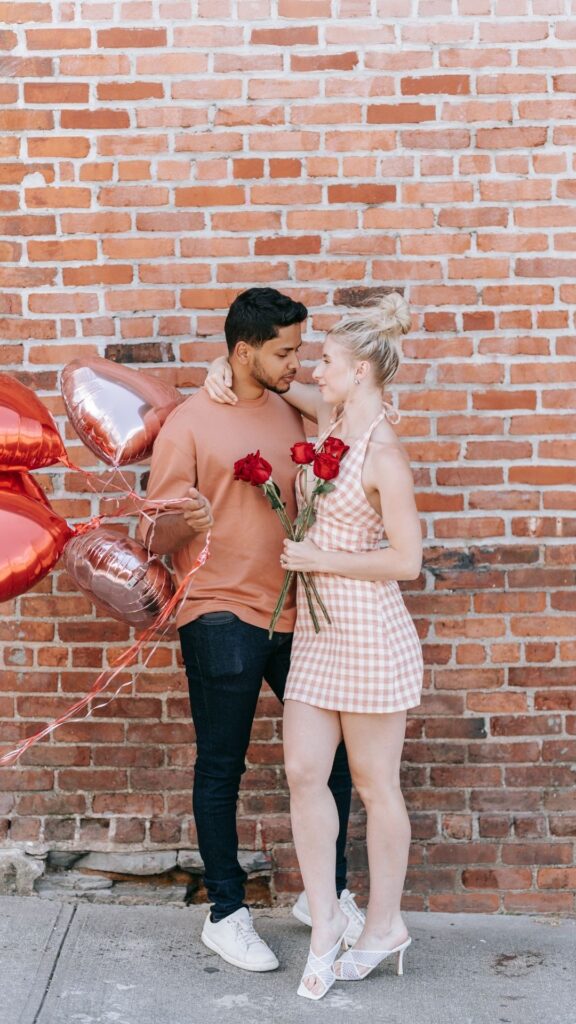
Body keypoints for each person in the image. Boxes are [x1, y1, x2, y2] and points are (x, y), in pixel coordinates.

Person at [206, 291, 423, 999]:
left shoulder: (385, 454)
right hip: (318, 635)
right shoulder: (329, 418)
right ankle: (325, 923)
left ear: (359, 371)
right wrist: (220, 371)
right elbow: (270, 381)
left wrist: (317, 561)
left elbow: (407, 562)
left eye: (326, 359)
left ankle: (384, 926)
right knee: (303, 770)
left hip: (367, 631)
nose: (312, 367)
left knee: (373, 784)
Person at [140, 288, 364, 974]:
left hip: (299, 611)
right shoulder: (188, 423)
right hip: (220, 613)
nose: (296, 362)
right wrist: (188, 520)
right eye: (284, 351)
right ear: (245, 352)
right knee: (222, 765)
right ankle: (227, 914)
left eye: (300, 349)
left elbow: (346, 421)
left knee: (334, 763)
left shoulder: (291, 404)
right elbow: (151, 533)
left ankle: (324, 895)